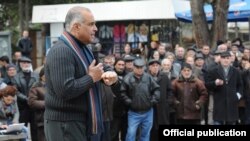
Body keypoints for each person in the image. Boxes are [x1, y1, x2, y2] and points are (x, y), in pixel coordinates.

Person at [44, 6, 118, 141]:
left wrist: (111, 74)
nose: (95, 28)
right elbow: (65, 91)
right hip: (65, 124)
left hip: (81, 122)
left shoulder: (83, 48)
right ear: (76, 27)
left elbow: (99, 67)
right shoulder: (61, 51)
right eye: (91, 24)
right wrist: (91, 78)